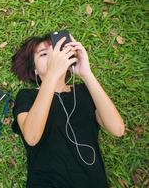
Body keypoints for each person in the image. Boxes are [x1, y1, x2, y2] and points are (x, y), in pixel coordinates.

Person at [10, 33, 125, 188]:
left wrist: (86, 73)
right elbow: (31, 136)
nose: (54, 57)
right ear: (35, 70)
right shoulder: (28, 96)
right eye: (44, 54)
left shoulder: (84, 91)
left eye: (57, 51)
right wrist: (52, 74)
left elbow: (117, 129)